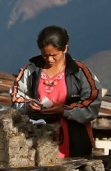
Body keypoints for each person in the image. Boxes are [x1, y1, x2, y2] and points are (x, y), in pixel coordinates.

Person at [10, 25, 102, 158]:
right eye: (45, 55)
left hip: (73, 142)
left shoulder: (79, 72)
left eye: (54, 55)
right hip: (36, 141)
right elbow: (15, 98)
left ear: (65, 48)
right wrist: (28, 105)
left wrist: (65, 110)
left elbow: (92, 102)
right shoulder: (30, 71)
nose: (49, 59)